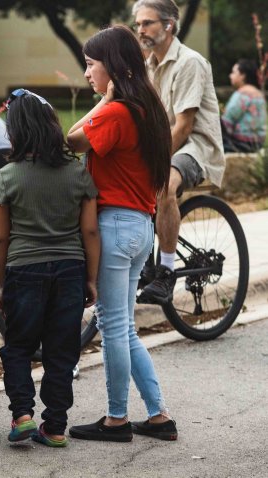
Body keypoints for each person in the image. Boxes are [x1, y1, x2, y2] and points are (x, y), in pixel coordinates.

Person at [66, 25, 178, 442]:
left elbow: (68, 144)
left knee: (112, 326)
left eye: (91, 64)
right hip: (140, 228)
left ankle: (115, 419)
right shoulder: (147, 109)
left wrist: (103, 104)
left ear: (111, 67)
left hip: (114, 227)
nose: (86, 73)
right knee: (122, 326)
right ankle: (158, 416)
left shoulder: (116, 113)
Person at [0, 89, 100, 447]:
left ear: (17, 130)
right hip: (69, 270)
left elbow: (0, 241)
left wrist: (4, 285)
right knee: (61, 351)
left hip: (24, 270)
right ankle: (55, 427)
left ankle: (22, 415)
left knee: (19, 347)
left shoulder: (8, 176)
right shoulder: (78, 173)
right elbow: (89, 230)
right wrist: (91, 278)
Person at [132, 0, 225, 303]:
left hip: (197, 147)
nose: (140, 30)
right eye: (138, 24)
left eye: (147, 23)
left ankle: (166, 273)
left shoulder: (190, 62)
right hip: (168, 145)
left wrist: (152, 162)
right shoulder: (147, 67)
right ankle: (144, 260)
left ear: (168, 25)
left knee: (162, 183)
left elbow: (184, 126)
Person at [221, 59, 266, 153]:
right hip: (259, 142)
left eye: (233, 72)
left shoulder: (241, 94)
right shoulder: (259, 94)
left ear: (242, 76)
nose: (230, 76)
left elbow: (227, 122)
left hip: (241, 143)